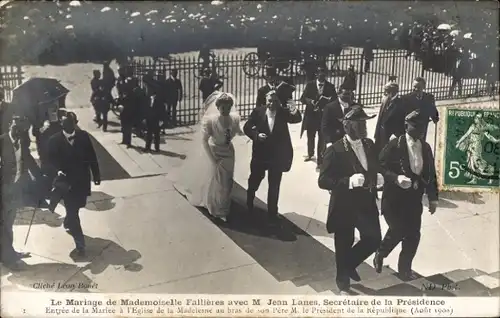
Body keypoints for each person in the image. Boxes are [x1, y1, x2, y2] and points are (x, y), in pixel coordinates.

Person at [318, 105, 383, 294]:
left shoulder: (369, 144)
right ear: (347, 126)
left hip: (366, 203)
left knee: (373, 239)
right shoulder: (335, 150)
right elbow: (323, 181)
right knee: (343, 243)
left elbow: (374, 165)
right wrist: (347, 182)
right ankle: (342, 280)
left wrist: (377, 176)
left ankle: (349, 263)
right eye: (359, 123)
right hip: (345, 205)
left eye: (364, 122)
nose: (364, 127)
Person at [373, 110, 438, 280]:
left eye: (422, 127)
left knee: (413, 235)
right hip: (394, 200)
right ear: (406, 126)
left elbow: (431, 173)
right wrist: (395, 178)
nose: (420, 130)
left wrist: (433, 198)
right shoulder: (395, 145)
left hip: (413, 200)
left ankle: (405, 270)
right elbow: (379, 165)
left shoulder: (425, 147)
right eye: (416, 126)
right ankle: (381, 253)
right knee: (398, 229)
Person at [171, 92, 242, 223]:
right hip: (215, 151)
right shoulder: (211, 121)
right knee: (217, 181)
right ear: (218, 107)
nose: (225, 110)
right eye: (222, 108)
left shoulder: (235, 119)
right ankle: (217, 208)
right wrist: (212, 158)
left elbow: (239, 131)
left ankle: (223, 204)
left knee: (227, 180)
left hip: (229, 153)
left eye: (228, 107)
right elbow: (204, 141)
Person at [243, 90, 302, 223]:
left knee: (274, 185)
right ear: (265, 100)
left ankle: (272, 212)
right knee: (255, 180)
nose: (272, 104)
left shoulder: (282, 112)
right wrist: (256, 135)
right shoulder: (258, 112)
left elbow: (297, 119)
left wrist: (293, 108)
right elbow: (247, 127)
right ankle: (249, 202)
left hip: (276, 156)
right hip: (260, 154)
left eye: (275, 101)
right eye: (270, 101)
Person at [47, 113, 101, 256]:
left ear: (75, 123)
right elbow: (48, 162)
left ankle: (68, 221)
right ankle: (80, 245)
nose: (69, 126)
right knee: (73, 211)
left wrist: (96, 175)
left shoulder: (83, 136)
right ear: (61, 125)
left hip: (82, 181)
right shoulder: (54, 140)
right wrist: (57, 171)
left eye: (71, 123)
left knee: (77, 207)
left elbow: (91, 156)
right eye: (65, 124)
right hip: (66, 183)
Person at [1, 116, 36, 269]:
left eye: (19, 129)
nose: (16, 131)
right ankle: (8, 260)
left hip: (15, 190)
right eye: (14, 127)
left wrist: (42, 178)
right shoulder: (1, 141)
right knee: (3, 225)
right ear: (9, 125)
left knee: (9, 224)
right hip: (3, 191)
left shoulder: (22, 141)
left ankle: (10, 253)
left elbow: (27, 160)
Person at [300, 66, 337, 168]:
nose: (322, 77)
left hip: (323, 117)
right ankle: (310, 153)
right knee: (310, 136)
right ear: (316, 75)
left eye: (324, 75)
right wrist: (310, 102)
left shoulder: (330, 86)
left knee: (322, 139)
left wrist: (327, 103)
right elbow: (302, 98)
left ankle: (320, 161)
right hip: (311, 116)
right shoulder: (310, 85)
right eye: (320, 75)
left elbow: (335, 101)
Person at [373, 82, 404, 154]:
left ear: (393, 92)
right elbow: (380, 119)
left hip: (391, 137)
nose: (384, 93)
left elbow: (401, 122)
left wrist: (396, 136)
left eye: (386, 91)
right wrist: (376, 134)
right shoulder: (385, 101)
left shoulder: (401, 104)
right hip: (381, 135)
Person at [144, 81, 166, 153]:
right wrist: (145, 118)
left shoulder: (159, 100)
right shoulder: (148, 99)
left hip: (156, 119)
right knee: (148, 134)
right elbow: (146, 109)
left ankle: (157, 148)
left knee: (156, 134)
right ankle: (147, 147)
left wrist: (161, 120)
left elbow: (162, 110)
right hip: (149, 119)